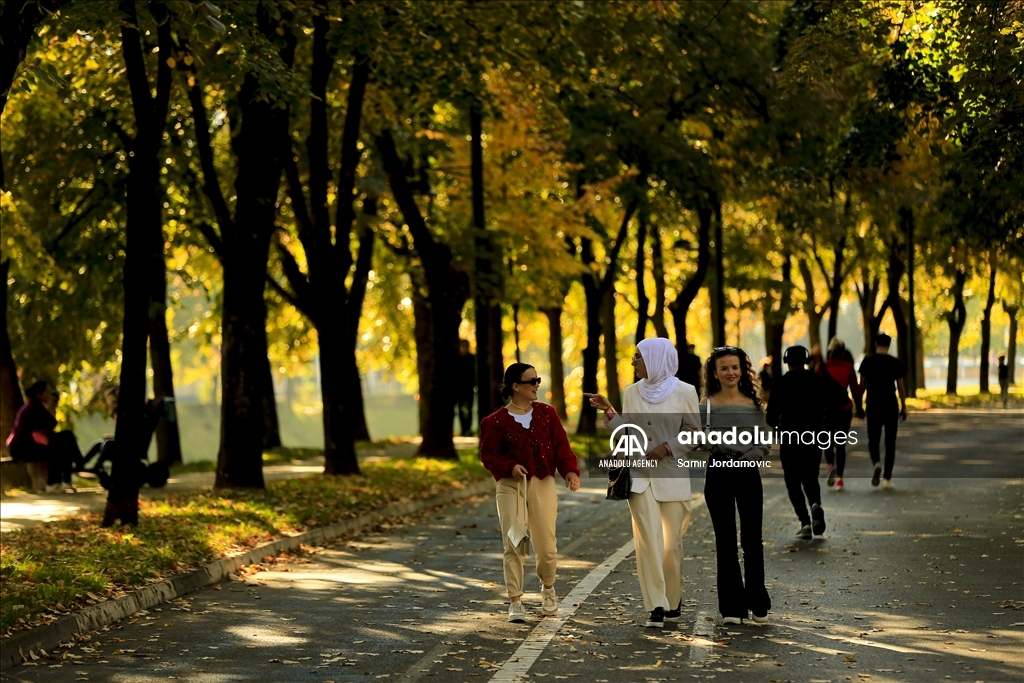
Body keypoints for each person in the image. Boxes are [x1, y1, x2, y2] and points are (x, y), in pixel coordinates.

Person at [584, 337, 701, 629]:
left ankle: (673, 600)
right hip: (639, 478)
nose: (633, 362)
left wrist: (668, 446)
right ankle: (656, 605)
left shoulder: (685, 391)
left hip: (672, 476)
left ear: (656, 358)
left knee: (671, 545)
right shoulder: (632, 392)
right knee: (648, 543)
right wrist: (610, 412)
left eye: (638, 357)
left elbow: (695, 433)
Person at [479, 363, 581, 623]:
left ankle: (548, 588)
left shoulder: (547, 414)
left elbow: (561, 447)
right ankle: (515, 601)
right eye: (532, 380)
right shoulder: (495, 422)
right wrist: (509, 466)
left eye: (538, 379)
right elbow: (488, 455)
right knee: (515, 543)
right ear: (516, 386)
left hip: (543, 483)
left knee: (546, 546)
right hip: (510, 486)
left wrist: (570, 471)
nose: (537, 384)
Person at [700, 346, 772, 625]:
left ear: (742, 370)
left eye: (735, 367)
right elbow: (697, 441)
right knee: (725, 542)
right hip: (717, 472)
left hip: (747, 472)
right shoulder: (705, 406)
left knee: (752, 540)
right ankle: (731, 606)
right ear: (715, 373)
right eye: (724, 368)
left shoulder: (754, 404)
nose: (730, 373)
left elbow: (763, 444)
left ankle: (757, 602)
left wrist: (747, 455)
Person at [766, 346, 829, 539]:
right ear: (806, 360)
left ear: (787, 361)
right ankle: (816, 505)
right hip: (813, 436)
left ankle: (805, 523)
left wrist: (778, 429)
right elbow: (828, 407)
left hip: (790, 438)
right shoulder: (817, 381)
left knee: (792, 481)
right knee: (811, 476)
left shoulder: (781, 383)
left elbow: (771, 416)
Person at [5, 381, 83, 492]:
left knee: (66, 439)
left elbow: (48, 427)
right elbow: (49, 425)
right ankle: (55, 482)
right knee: (57, 446)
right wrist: (51, 407)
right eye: (46, 391)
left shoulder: (37, 406)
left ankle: (68, 477)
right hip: (19, 447)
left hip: (28, 443)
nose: (49, 394)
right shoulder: (33, 407)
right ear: (39, 394)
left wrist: (51, 407)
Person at [858, 333, 907, 490]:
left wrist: (859, 405)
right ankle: (886, 478)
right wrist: (904, 405)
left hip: (873, 404)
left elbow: (862, 385)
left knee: (873, 439)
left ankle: (876, 463)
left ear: (875, 343)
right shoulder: (894, 363)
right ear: (889, 344)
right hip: (890, 405)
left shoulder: (868, 361)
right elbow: (900, 385)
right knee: (890, 442)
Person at [819, 339, 864, 491]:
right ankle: (839, 480)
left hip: (826, 410)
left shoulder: (822, 367)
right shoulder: (848, 367)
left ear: (830, 351)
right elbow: (856, 391)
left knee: (826, 441)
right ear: (843, 352)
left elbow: (815, 391)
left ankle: (831, 465)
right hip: (844, 409)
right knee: (840, 444)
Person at [456, 339, 476, 436]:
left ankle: (467, 429)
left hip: (468, 387)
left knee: (469, 409)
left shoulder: (472, 358)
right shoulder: (457, 359)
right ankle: (464, 429)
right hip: (459, 388)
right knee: (461, 409)